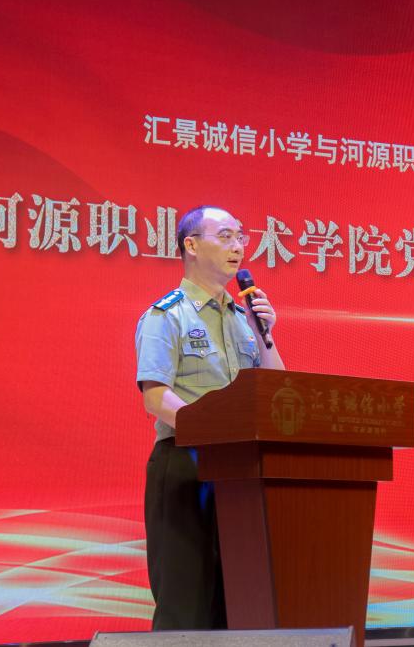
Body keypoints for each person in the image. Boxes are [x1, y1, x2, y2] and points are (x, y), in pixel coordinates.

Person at [134, 205, 286, 630]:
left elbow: (279, 392)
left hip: (240, 473)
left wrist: (265, 334)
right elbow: (156, 397)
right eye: (225, 236)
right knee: (186, 602)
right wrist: (214, 433)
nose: (238, 246)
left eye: (240, 237)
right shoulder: (167, 315)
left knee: (236, 603)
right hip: (186, 465)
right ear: (192, 245)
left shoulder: (244, 319)